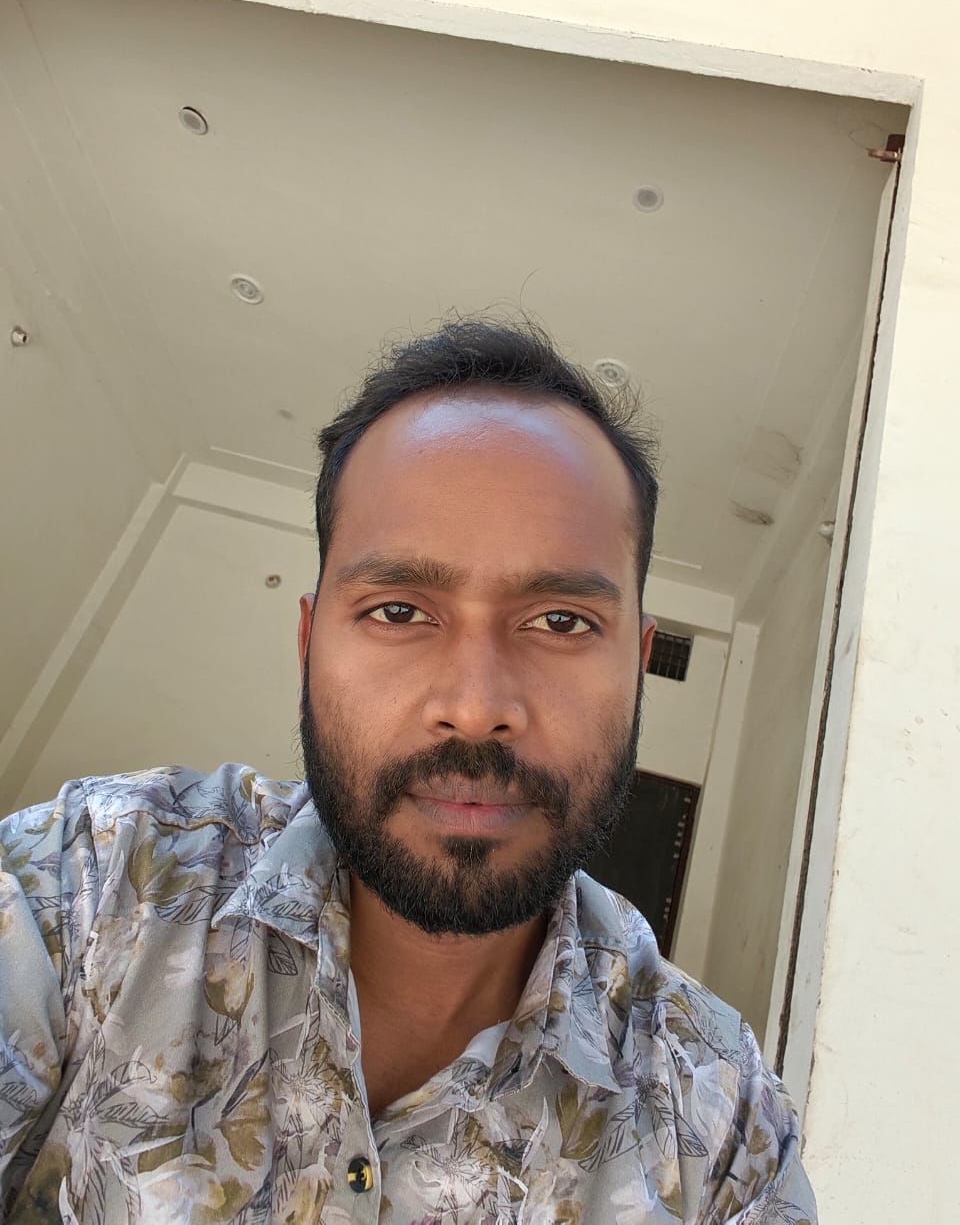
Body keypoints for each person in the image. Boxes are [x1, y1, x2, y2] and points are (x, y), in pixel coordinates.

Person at [0, 319, 817, 1223]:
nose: (475, 706)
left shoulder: (723, 1127)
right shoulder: (90, 887)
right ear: (309, 643)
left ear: (639, 666)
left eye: (561, 622)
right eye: (398, 610)